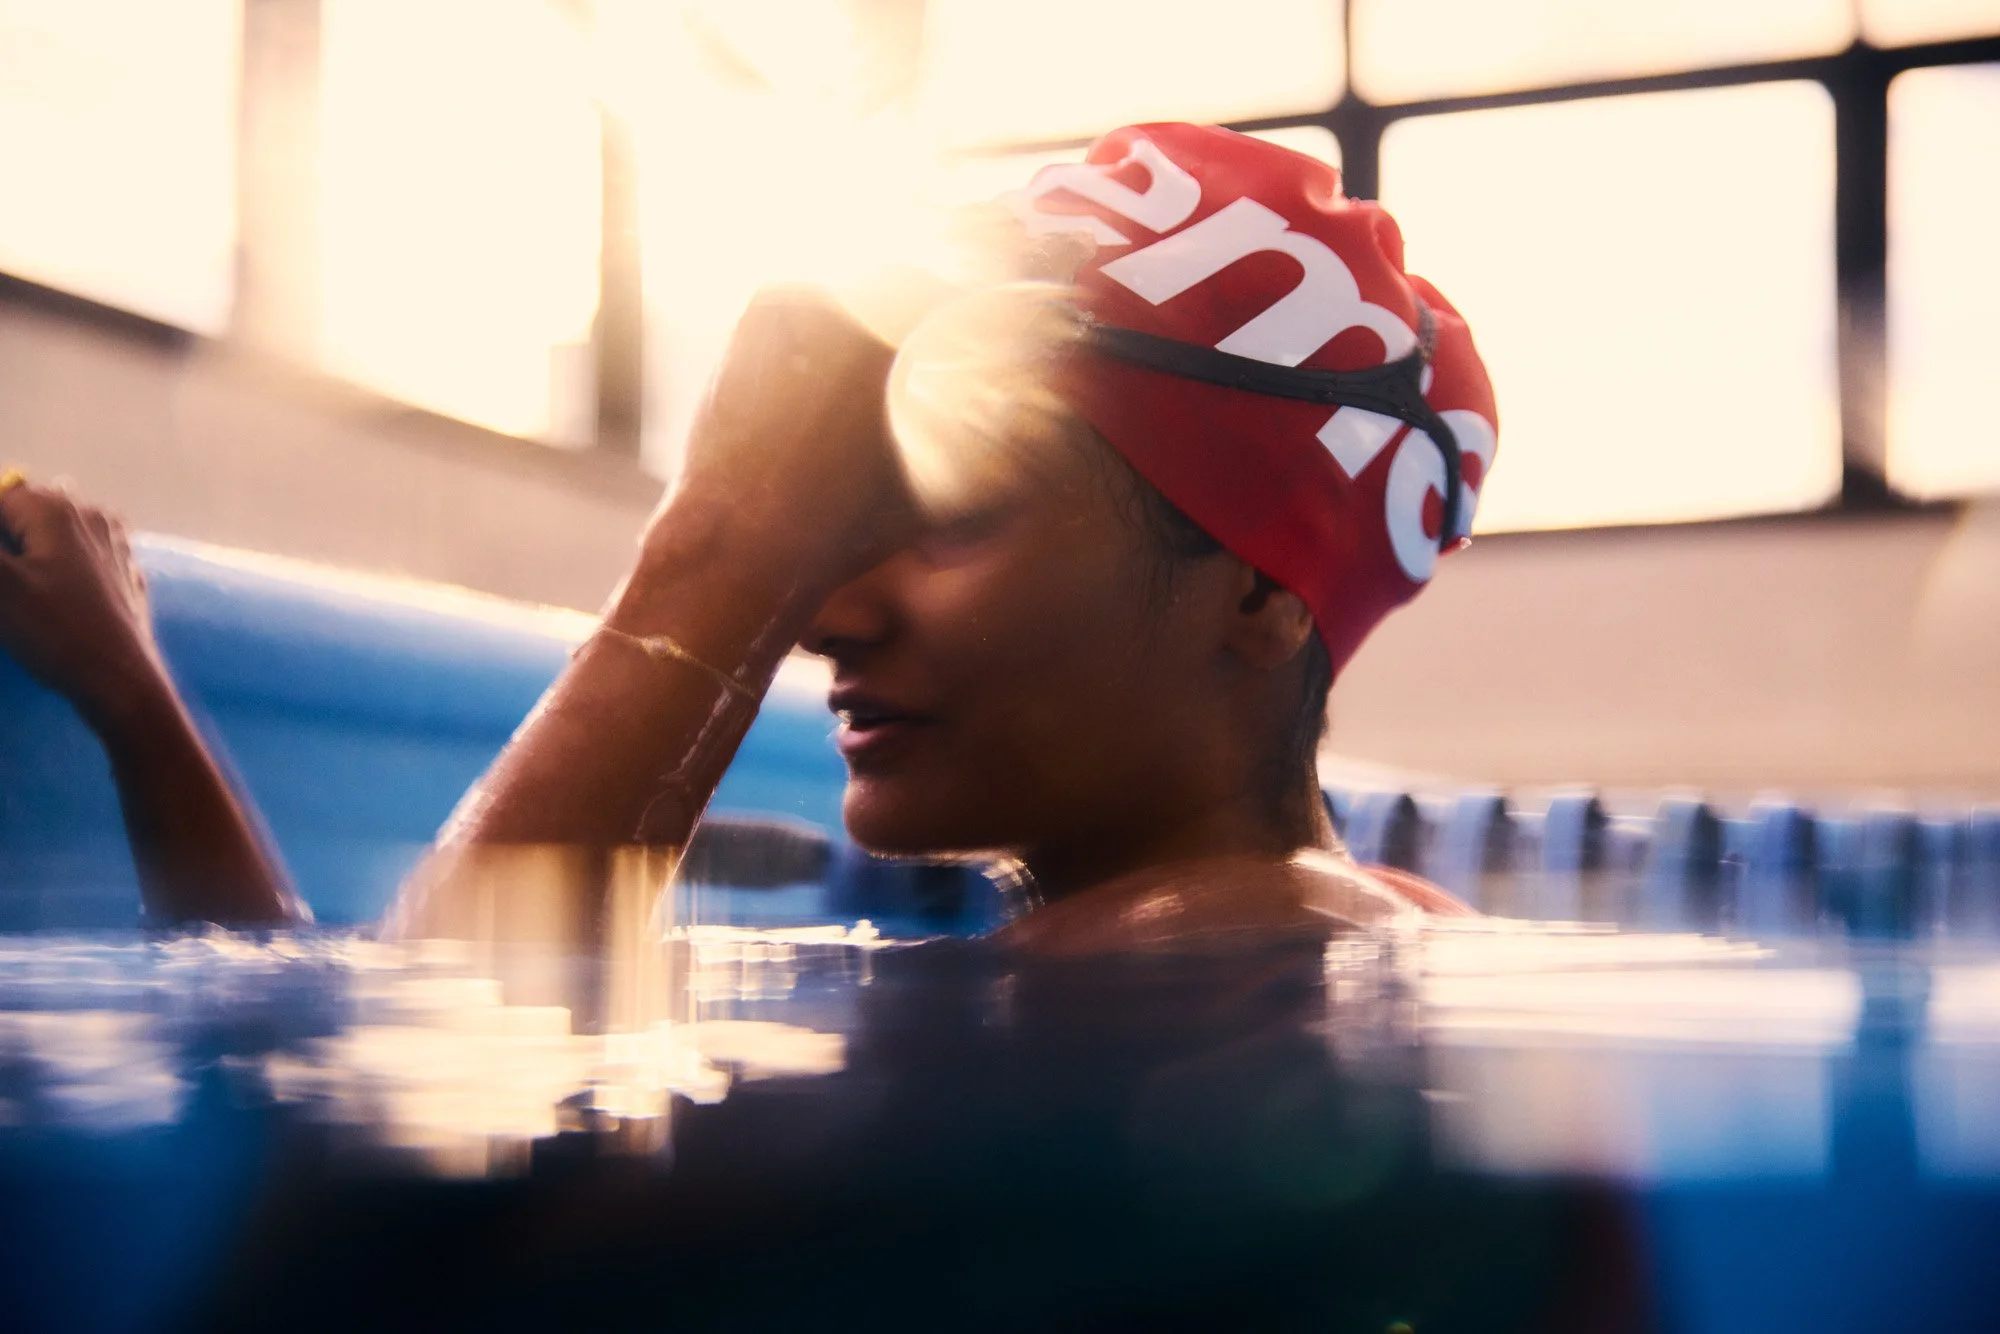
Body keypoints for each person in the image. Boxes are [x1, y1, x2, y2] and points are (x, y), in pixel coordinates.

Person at [0, 123, 1495, 950]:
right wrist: (140, 713)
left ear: (1257, 587)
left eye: (943, 514)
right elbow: (336, 1076)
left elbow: (359, 1189)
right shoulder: (1319, 937)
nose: (819, 604)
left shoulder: (1176, 987)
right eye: (832, 514)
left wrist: (714, 552)